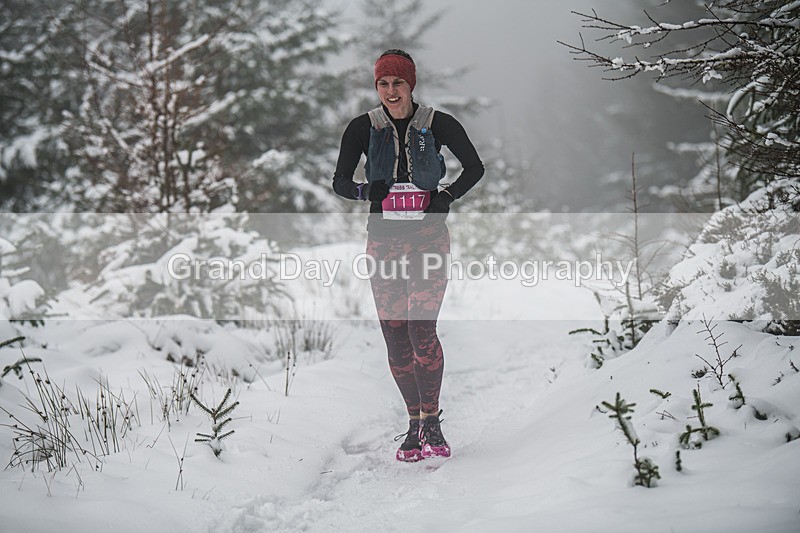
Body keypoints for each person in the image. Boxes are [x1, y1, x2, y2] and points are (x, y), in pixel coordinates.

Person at [332, 49, 484, 462]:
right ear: (376, 87)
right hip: (382, 240)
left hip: (428, 237)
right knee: (395, 334)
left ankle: (432, 419)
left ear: (410, 85)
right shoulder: (362, 128)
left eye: (398, 83)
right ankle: (414, 424)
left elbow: (475, 168)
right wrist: (366, 191)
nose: (391, 91)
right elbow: (340, 182)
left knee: (421, 327)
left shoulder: (438, 124)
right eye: (383, 84)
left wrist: (446, 196)